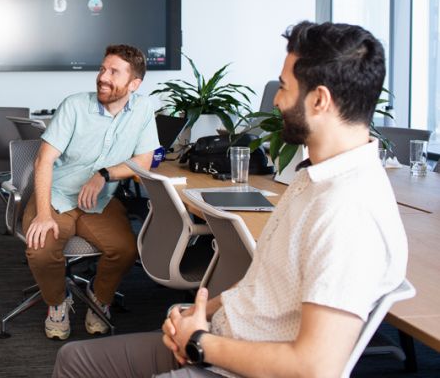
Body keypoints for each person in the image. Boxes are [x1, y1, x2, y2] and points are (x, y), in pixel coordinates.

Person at [53, 21, 408, 378]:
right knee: (73, 360)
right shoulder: (310, 177)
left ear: (319, 100)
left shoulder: (349, 211)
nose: (276, 100)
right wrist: (201, 314)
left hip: (230, 364)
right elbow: (262, 285)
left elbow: (315, 368)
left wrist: (201, 343)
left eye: (284, 87)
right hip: (218, 338)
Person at [25, 44, 160, 340]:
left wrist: (105, 174)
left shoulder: (143, 109)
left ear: (134, 84)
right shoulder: (74, 105)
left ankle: (100, 298)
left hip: (98, 202)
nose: (102, 76)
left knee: (125, 250)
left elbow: (145, 161)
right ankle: (58, 303)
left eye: (113, 72)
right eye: (102, 69)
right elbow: (43, 159)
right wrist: (43, 214)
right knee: (41, 248)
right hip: (57, 195)